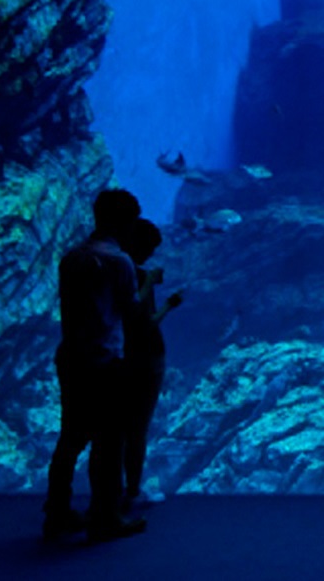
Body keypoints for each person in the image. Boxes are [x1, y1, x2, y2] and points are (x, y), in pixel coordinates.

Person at [43, 187, 147, 542]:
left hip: (72, 356)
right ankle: (105, 516)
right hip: (105, 360)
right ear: (124, 221)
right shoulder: (119, 261)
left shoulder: (72, 257)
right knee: (109, 441)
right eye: (132, 222)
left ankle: (56, 512)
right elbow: (132, 313)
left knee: (70, 438)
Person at [119, 218, 183, 511]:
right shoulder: (138, 275)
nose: (149, 255)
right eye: (148, 248)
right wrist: (170, 304)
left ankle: (119, 489)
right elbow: (144, 322)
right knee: (137, 430)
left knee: (121, 429)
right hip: (145, 359)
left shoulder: (111, 272)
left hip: (122, 358)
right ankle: (132, 490)